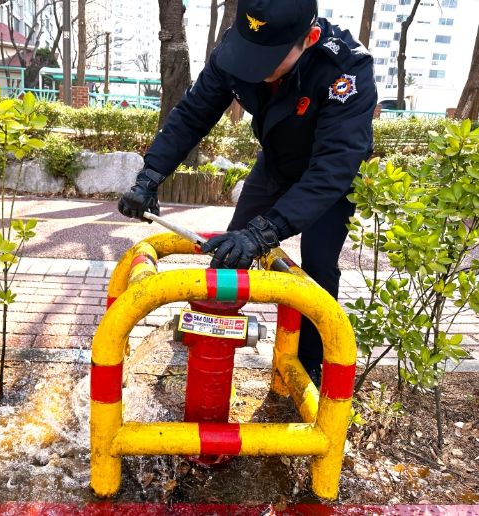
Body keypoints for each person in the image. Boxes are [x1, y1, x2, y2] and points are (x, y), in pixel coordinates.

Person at [117, 0, 377, 384]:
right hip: (275, 164)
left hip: (327, 181)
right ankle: (206, 342)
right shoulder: (236, 49)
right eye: (251, 54)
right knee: (230, 254)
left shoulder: (347, 69)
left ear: (310, 38)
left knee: (318, 268)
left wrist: (264, 232)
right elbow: (193, 113)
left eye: (269, 59)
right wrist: (150, 176)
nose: (255, 68)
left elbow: (334, 167)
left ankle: (307, 367)